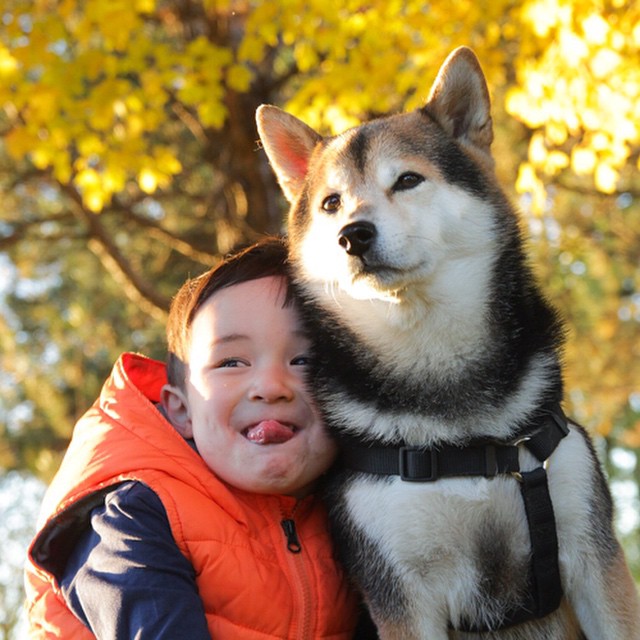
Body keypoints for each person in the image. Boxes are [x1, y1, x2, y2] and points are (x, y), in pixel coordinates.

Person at [24, 236, 369, 639]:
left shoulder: (352, 507)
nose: (272, 386)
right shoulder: (130, 514)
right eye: (231, 362)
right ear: (182, 411)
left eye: (305, 360)